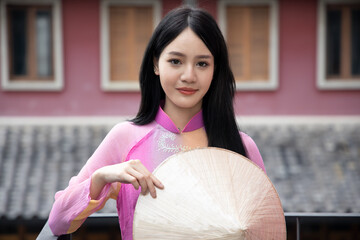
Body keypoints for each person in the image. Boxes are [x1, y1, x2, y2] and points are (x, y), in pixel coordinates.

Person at [47, 6, 266, 240]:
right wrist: (102, 177)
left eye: (202, 64)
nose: (189, 76)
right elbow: (58, 222)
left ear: (215, 70)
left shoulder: (241, 147)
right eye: (175, 61)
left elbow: (265, 229)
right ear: (155, 64)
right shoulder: (125, 138)